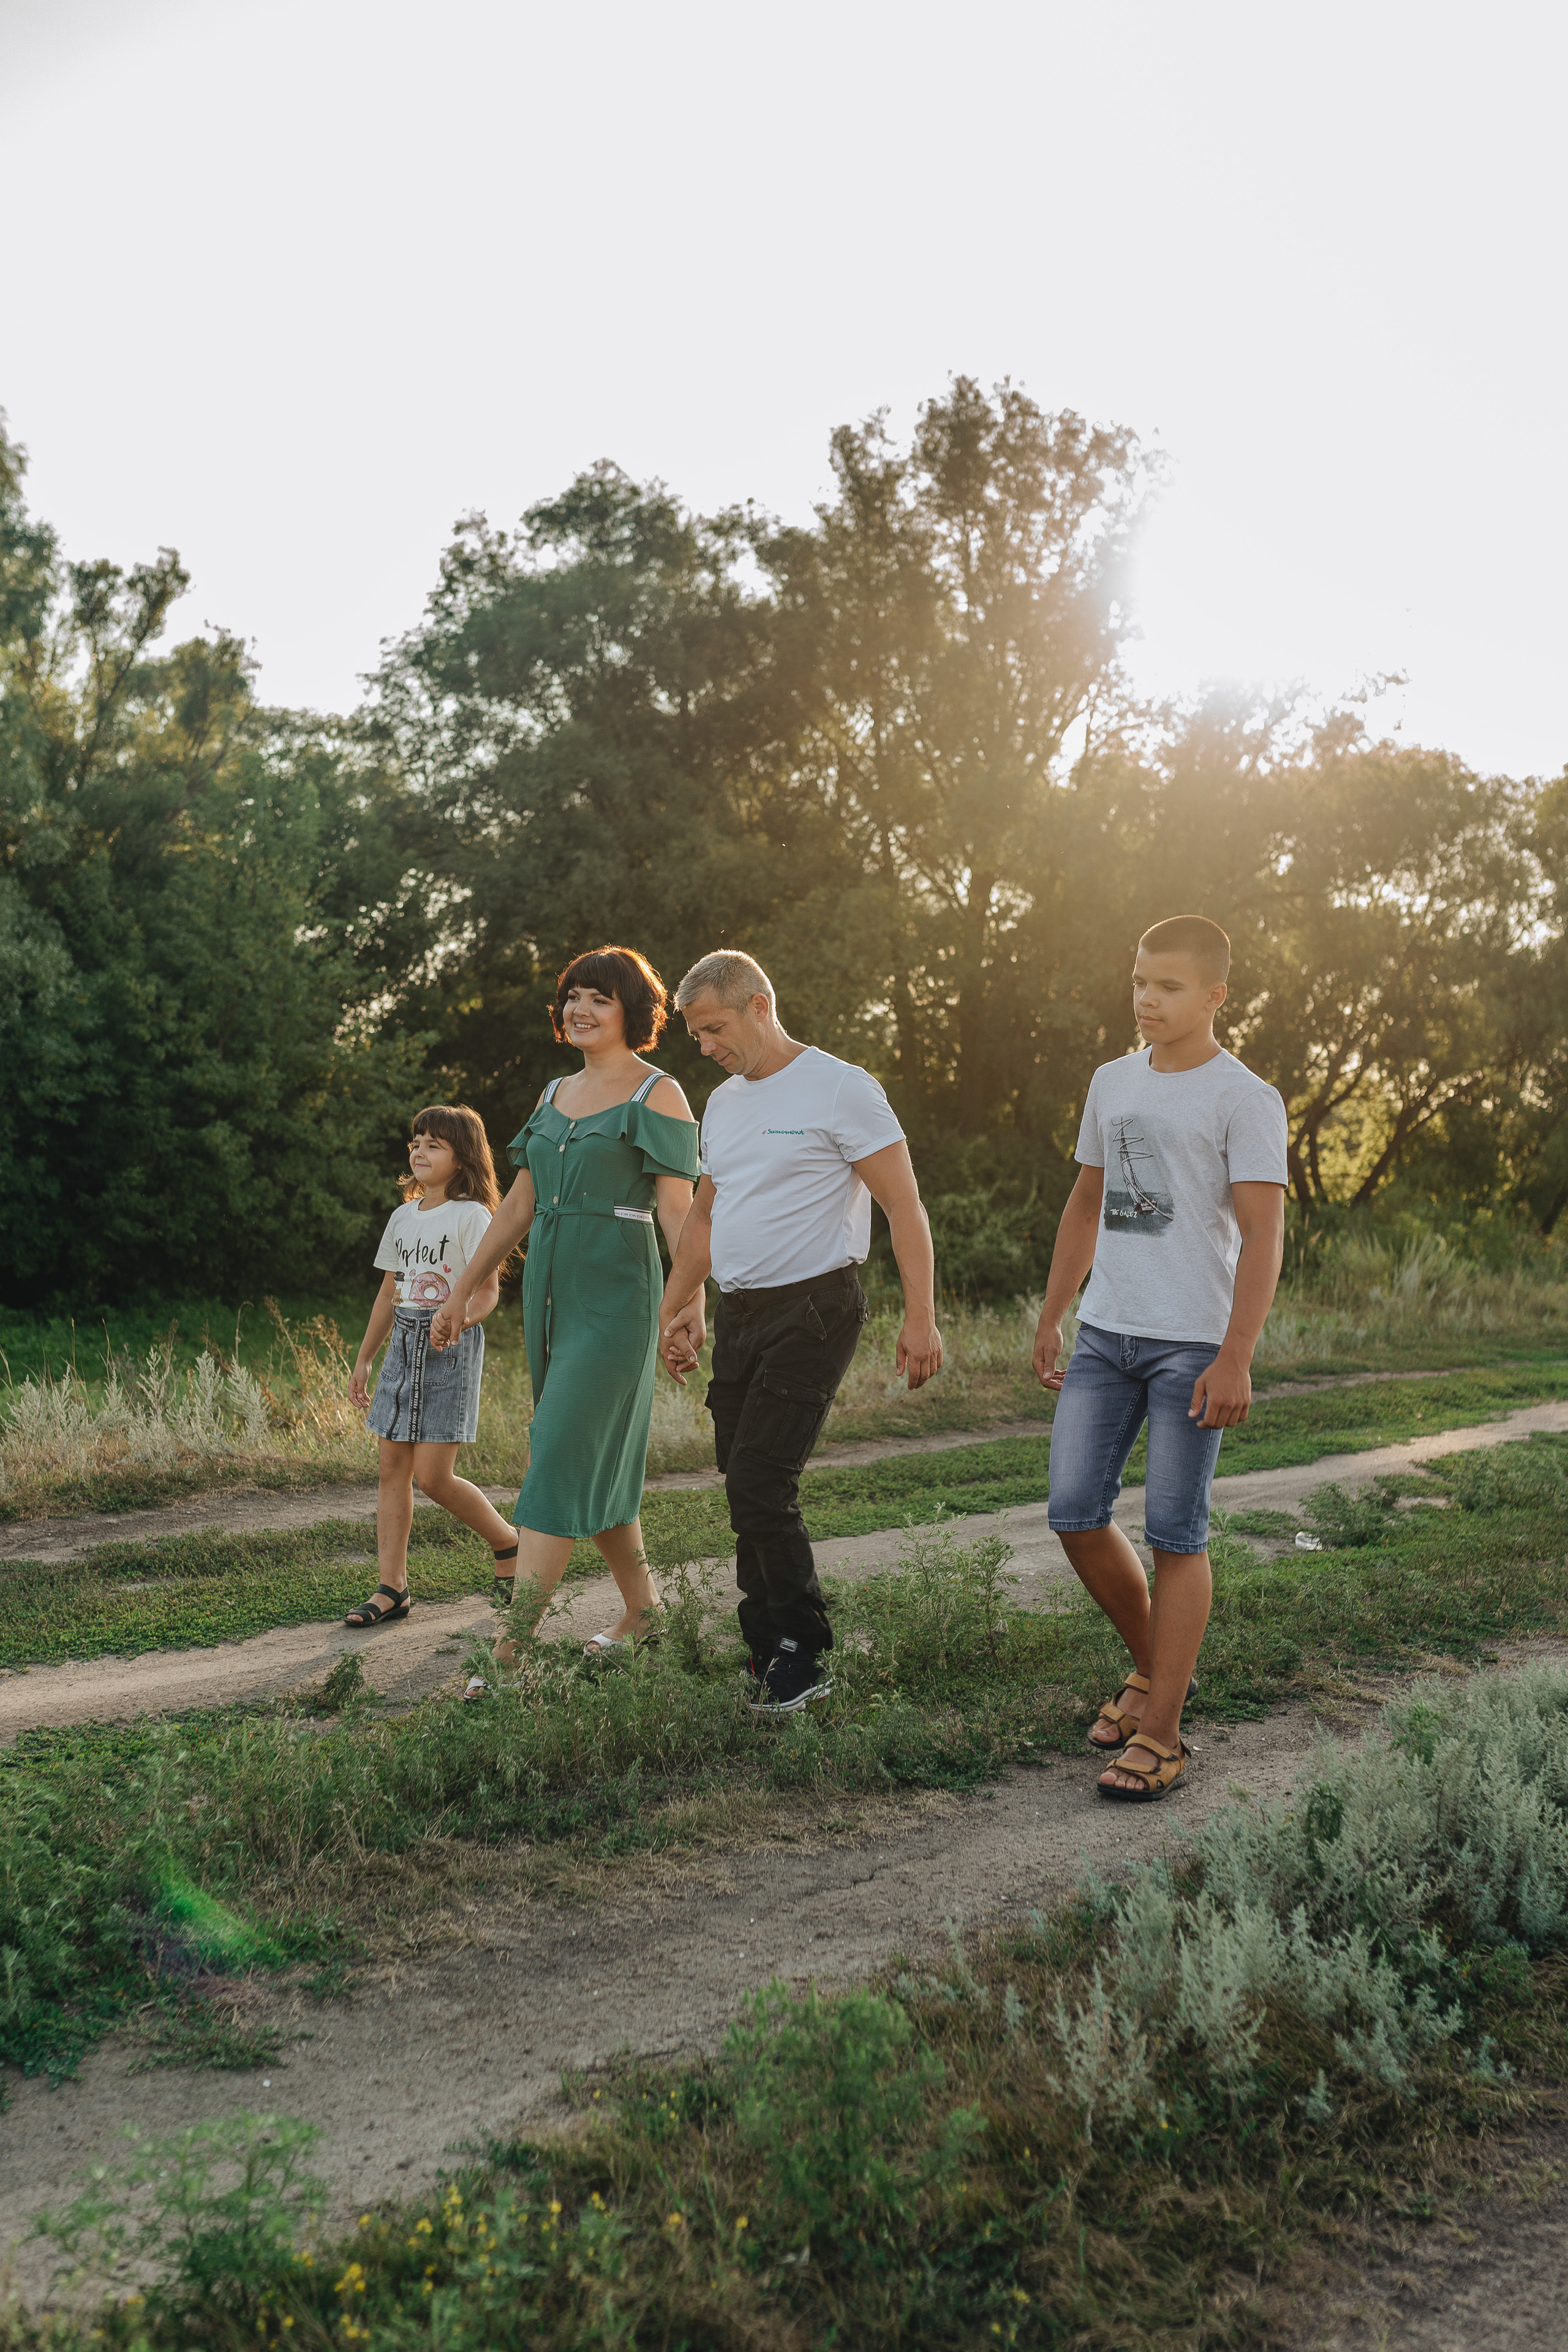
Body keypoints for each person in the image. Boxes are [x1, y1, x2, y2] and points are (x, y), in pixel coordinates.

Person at [1031, 915, 1287, 1803]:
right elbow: (1086, 1201)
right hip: (1107, 1333)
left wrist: (1237, 1356)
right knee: (1073, 1512)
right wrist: (1055, 1311)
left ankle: (1165, 1733)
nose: (1147, 998)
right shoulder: (1112, 1080)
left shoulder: (1244, 1098)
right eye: (1139, 980)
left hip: (1192, 1346)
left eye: (1169, 986)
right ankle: (1152, 1671)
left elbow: (1262, 1235)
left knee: (1176, 1533)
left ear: (1215, 995)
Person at [659, 951, 943, 1713]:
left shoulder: (841, 1088)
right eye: (696, 1036)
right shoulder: (722, 1104)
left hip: (815, 1309)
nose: (707, 1045)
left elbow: (903, 1206)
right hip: (742, 1313)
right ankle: (766, 1644)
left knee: (760, 1478)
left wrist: (922, 1315)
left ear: (759, 1006)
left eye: (714, 1028)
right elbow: (704, 1219)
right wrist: (676, 1308)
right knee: (741, 1475)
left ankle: (804, 1651)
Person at [431, 946, 699, 1683]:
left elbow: (679, 1214)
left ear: (632, 1014)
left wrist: (689, 1304)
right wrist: (463, 1291)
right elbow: (519, 1201)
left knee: (554, 1456)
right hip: (552, 1293)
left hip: (619, 1296)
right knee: (591, 1458)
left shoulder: (659, 1094)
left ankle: (509, 1654)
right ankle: (644, 1616)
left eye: (601, 999)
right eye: (574, 996)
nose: (581, 1009)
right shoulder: (553, 1093)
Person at [347, 1105, 522, 1626]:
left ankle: (509, 1543)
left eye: (434, 1145)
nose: (419, 1152)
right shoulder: (402, 1217)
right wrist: (364, 1358)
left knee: (434, 1478)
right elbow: (387, 1293)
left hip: (448, 1345)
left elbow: (488, 1291)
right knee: (391, 1469)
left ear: (462, 1156)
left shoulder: (473, 1216)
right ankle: (392, 1588)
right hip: (402, 1341)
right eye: (416, 1142)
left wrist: (459, 1321)